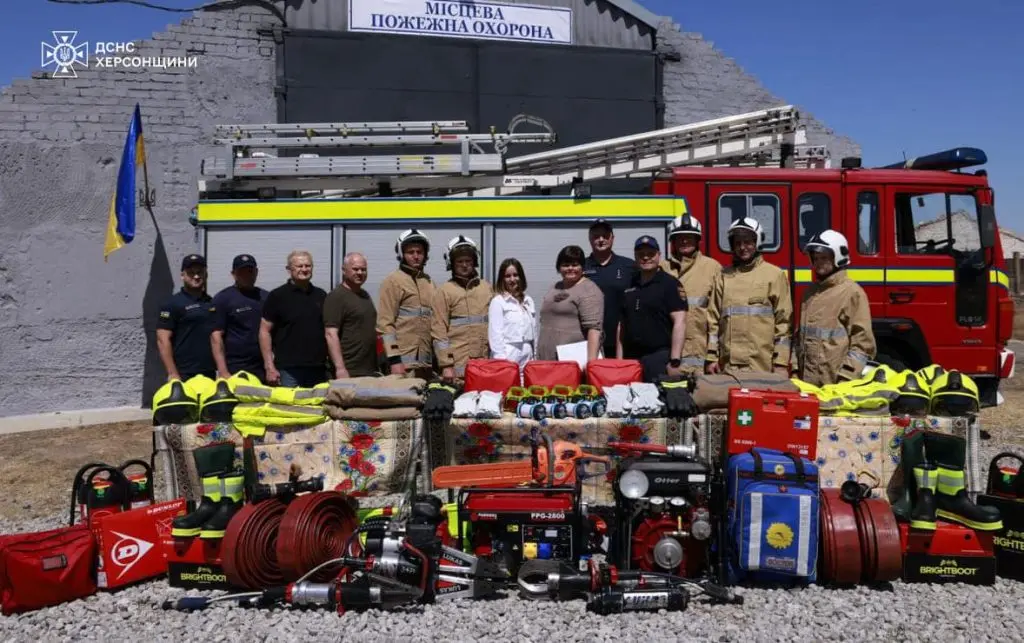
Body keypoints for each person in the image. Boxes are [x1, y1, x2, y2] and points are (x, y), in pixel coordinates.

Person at [705, 218, 793, 376]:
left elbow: (784, 323)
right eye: (737, 243)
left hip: (762, 366)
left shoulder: (774, 275)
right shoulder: (723, 276)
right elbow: (713, 321)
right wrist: (712, 357)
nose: (742, 247)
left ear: (757, 242)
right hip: (728, 367)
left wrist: (780, 362)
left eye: (747, 242)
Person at [796, 229, 877, 386]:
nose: (818, 262)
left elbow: (862, 345)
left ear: (838, 257)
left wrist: (846, 377)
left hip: (837, 383)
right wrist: (794, 369)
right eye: (815, 258)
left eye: (824, 258)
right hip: (807, 383)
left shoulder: (852, 292)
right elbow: (799, 337)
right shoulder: (809, 293)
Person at [616, 236, 689, 382]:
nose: (646, 258)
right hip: (631, 358)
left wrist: (675, 360)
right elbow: (621, 326)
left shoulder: (670, 284)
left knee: (658, 396)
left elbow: (680, 322)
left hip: (658, 358)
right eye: (641, 254)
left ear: (659, 255)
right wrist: (619, 360)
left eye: (650, 254)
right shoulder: (629, 284)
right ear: (635, 257)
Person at [660, 214, 722, 374]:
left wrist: (714, 356)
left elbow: (718, 317)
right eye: (679, 237)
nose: (684, 241)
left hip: (701, 358)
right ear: (672, 241)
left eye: (689, 237)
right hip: (667, 356)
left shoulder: (713, 268)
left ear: (697, 239)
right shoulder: (662, 268)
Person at [259, 250, 328, 388]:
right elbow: (264, 331)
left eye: (308, 266)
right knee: (289, 402)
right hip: (288, 370)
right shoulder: (277, 296)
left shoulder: (321, 295)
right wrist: (269, 366)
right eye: (299, 266)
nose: (304, 269)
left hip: (317, 368)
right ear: (289, 269)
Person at [431, 235, 494, 383]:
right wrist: (446, 365)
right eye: (460, 261)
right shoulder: (444, 291)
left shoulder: (487, 288)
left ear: (474, 262)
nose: (464, 265)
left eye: (468, 261)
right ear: (451, 263)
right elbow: (439, 332)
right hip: (457, 371)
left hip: (485, 366)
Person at [377, 229, 436, 379]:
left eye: (419, 252)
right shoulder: (393, 281)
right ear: (401, 254)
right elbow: (385, 324)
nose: (416, 256)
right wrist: (394, 360)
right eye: (411, 252)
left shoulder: (429, 282)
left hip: (426, 365)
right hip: (402, 366)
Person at [537, 245, 604, 363]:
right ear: (559, 267)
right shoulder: (554, 287)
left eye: (575, 264)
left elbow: (594, 330)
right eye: (565, 265)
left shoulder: (588, 290)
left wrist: (591, 364)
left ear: (582, 267)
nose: (570, 268)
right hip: (547, 360)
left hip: (573, 362)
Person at [157, 253, 216, 382]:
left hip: (209, 372)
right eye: (191, 273)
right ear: (182, 275)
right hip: (184, 373)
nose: (196, 276)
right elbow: (162, 340)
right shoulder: (172, 304)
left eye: (200, 272)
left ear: (206, 274)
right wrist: (172, 373)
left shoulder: (211, 302)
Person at [210, 254, 269, 382]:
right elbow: (216, 336)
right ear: (233, 274)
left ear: (256, 272)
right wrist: (223, 371)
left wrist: (271, 366)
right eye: (242, 272)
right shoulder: (223, 299)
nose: (247, 276)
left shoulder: (266, 297)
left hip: (262, 367)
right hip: (235, 368)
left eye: (250, 271)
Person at [583, 219, 636, 359]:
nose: (601, 240)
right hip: (587, 341)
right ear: (590, 239)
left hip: (621, 341)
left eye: (605, 236)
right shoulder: (581, 267)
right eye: (596, 236)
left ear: (612, 238)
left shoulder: (629, 266)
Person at [324, 252, 379, 379]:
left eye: (363, 269)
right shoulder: (336, 297)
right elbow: (330, 334)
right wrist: (340, 368)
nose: (360, 273)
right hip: (349, 370)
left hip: (368, 369)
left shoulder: (365, 295)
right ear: (344, 270)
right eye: (355, 269)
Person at [488, 258, 538, 371]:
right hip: (508, 355)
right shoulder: (498, 302)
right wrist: (501, 363)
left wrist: (535, 356)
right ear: (502, 279)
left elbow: (534, 331)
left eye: (515, 275)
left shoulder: (528, 300)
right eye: (507, 276)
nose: (512, 279)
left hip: (528, 356)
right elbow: (495, 336)